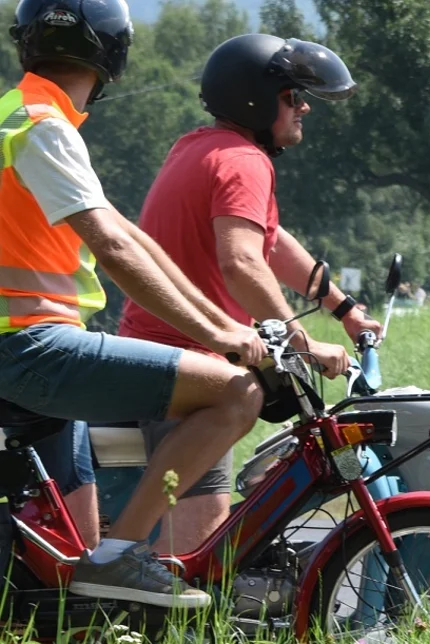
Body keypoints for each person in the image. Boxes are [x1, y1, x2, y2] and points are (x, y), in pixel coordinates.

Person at [0, 0, 266, 608]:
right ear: (113, 53)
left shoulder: (19, 115)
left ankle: (106, 562)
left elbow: (132, 235)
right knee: (236, 392)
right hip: (31, 348)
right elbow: (116, 248)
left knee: (67, 576)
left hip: (28, 349)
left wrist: (223, 324)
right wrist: (225, 341)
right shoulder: (44, 125)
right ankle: (125, 556)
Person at [115, 33, 376, 554]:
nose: (303, 106)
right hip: (189, 370)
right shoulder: (244, 162)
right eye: (291, 95)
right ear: (255, 100)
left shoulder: (201, 147)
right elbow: (241, 262)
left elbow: (272, 245)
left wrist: (343, 309)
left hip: (162, 356)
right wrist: (303, 343)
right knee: (192, 559)